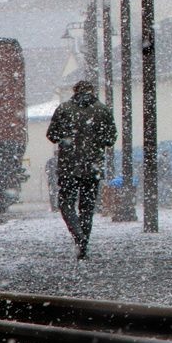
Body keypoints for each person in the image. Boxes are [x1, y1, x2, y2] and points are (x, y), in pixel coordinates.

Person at [46, 80, 117, 258]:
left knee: (65, 203)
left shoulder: (64, 109)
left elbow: (51, 135)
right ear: (92, 91)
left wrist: (68, 138)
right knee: (87, 207)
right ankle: (83, 243)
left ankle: (77, 234)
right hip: (92, 168)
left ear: (75, 91)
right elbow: (111, 138)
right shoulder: (103, 110)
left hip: (68, 167)